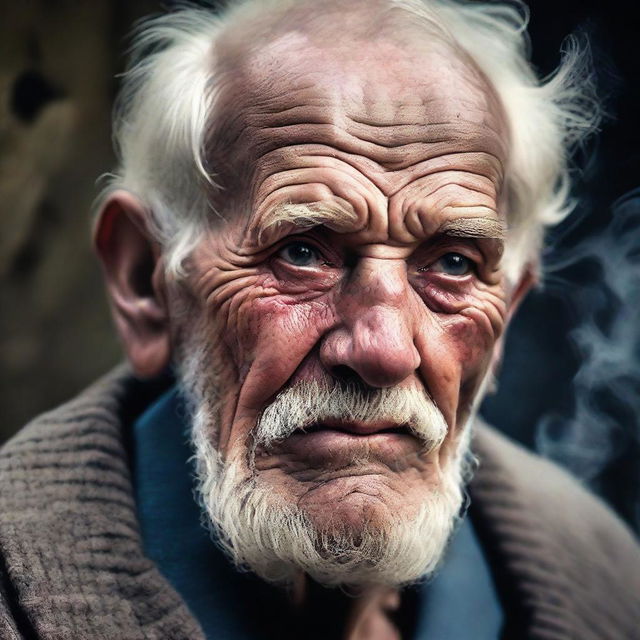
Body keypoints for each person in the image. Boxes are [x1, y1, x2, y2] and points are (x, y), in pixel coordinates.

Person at [0, 0, 638, 638]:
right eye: (301, 252)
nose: (385, 351)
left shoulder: (606, 580)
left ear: (506, 317)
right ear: (146, 280)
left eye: (452, 264)